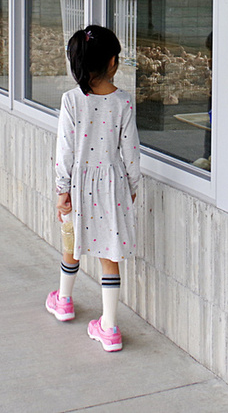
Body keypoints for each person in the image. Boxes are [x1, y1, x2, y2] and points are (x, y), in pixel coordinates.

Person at [46, 24, 141, 352]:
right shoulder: (124, 102)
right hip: (113, 186)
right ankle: (110, 328)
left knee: (71, 245)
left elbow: (65, 150)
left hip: (78, 184)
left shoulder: (71, 101)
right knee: (108, 256)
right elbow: (131, 152)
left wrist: (62, 190)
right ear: (113, 62)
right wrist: (131, 186)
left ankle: (64, 301)